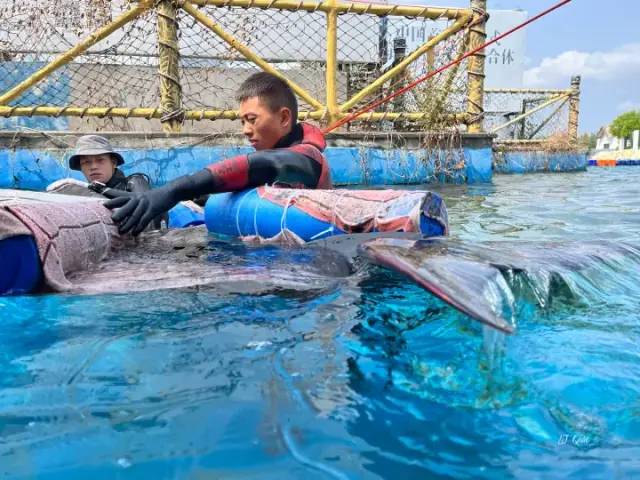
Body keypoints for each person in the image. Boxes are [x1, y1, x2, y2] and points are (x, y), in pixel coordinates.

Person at [102, 72, 332, 236]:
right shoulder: (283, 153)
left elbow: (267, 164)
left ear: (283, 118)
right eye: (242, 122)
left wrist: (172, 191)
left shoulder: (308, 159)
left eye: (252, 120)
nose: (245, 130)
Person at [68, 134, 152, 193]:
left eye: (100, 160)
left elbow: (147, 206)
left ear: (113, 163)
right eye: (86, 162)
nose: (93, 167)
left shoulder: (134, 184)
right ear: (81, 167)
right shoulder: (82, 194)